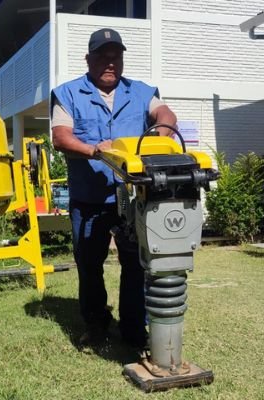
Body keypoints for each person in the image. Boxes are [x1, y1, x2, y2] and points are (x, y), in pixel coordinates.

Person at [51, 28, 178, 347]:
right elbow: (61, 137)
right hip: (89, 199)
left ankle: (135, 329)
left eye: (116, 56)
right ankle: (96, 326)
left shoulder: (141, 91)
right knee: (89, 266)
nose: (110, 63)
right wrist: (95, 150)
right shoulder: (67, 93)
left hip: (134, 198)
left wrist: (162, 130)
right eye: (103, 56)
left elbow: (164, 113)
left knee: (136, 265)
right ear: (88, 59)